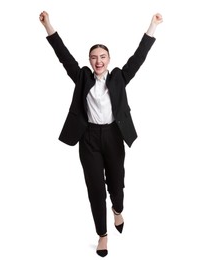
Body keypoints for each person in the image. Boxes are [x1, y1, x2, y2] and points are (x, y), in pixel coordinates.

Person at [39, 10, 163, 257]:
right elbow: (63, 56)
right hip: (89, 139)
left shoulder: (118, 77)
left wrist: (153, 26)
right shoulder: (82, 77)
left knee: (116, 186)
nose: (98, 61)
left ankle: (118, 210)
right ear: (89, 60)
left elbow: (138, 58)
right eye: (94, 57)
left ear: (108, 59)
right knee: (95, 188)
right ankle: (102, 235)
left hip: (114, 136)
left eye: (102, 57)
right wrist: (48, 25)